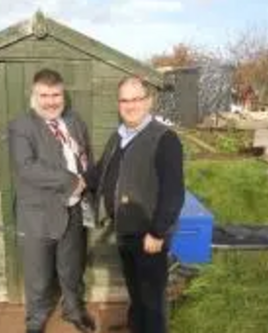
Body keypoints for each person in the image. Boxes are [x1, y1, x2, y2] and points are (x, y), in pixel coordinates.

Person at [85, 76, 185, 333]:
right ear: (119, 104)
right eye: (125, 100)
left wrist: (158, 231)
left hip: (149, 235)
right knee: (136, 292)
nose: (131, 106)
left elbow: (173, 192)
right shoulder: (118, 136)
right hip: (124, 231)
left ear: (149, 101)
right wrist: (76, 183)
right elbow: (100, 172)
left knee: (152, 300)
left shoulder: (164, 139)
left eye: (137, 99)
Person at [7, 69, 96, 333]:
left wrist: (88, 184)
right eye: (44, 95)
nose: (50, 101)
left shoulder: (75, 121)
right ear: (34, 95)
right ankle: (35, 320)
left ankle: (73, 310)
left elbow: (85, 156)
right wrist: (71, 181)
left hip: (74, 210)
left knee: (72, 268)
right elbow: (26, 168)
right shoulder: (21, 126)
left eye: (55, 94)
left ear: (63, 94)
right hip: (38, 215)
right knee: (38, 275)